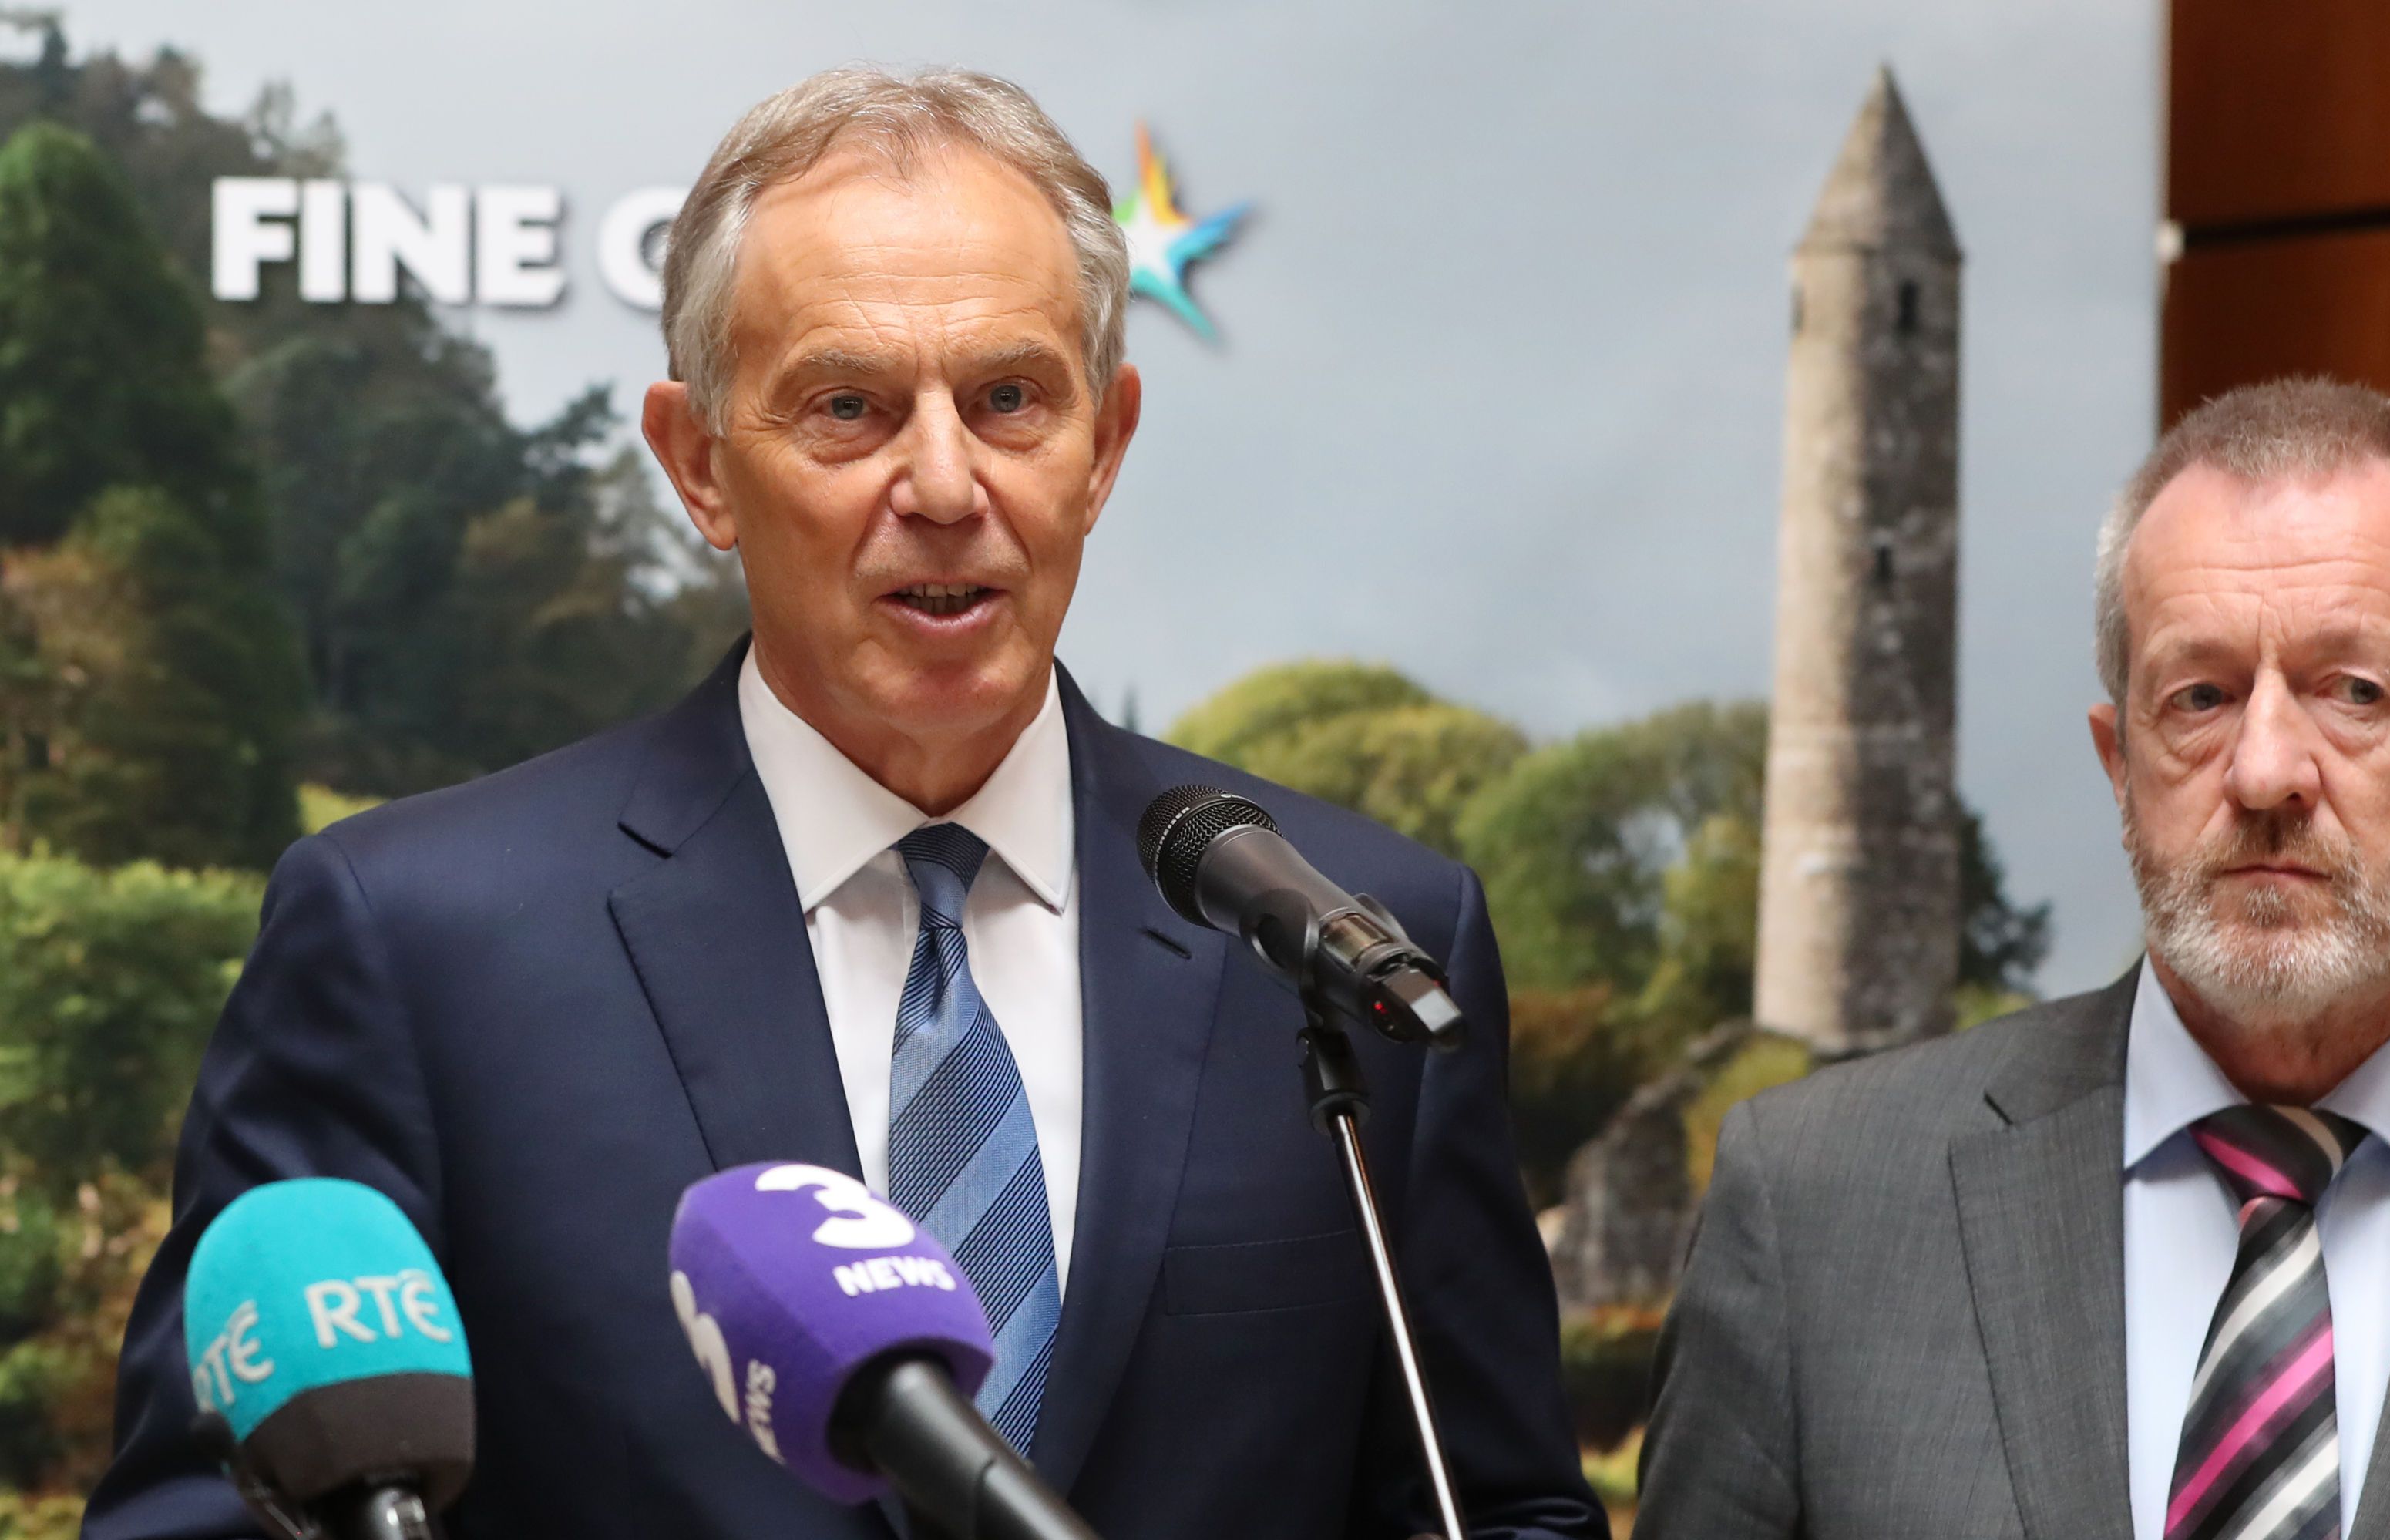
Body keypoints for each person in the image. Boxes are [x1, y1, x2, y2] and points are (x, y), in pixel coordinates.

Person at [86, 66, 1604, 1540]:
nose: (944, 483)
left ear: (1106, 446)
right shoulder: (416, 949)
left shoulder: (1344, 937)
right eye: (849, 408)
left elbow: (1496, 1509)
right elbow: (209, 1516)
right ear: (698, 466)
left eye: (1011, 399)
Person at [1636, 378, 2390, 1540]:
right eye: (2200, 695)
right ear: (2117, 762)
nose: (2263, 772)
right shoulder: (1817, 1210)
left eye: (2354, 690)